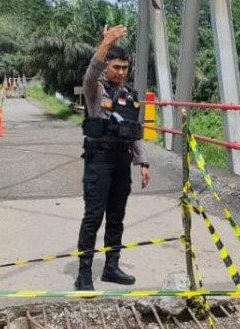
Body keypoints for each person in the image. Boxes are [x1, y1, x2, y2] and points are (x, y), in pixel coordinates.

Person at [75, 24, 150, 291]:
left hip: (121, 162)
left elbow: (134, 131)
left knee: (117, 216)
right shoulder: (95, 90)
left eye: (124, 68)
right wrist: (105, 43)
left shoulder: (130, 95)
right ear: (107, 66)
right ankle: (84, 272)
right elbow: (91, 70)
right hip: (98, 160)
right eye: (116, 67)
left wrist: (143, 163)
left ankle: (111, 267)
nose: (120, 72)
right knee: (94, 215)